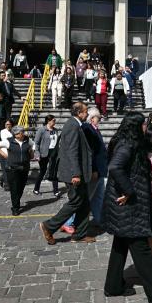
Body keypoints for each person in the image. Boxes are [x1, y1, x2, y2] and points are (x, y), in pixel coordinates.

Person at [101, 111, 152, 303]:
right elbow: (116, 167)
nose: (145, 127)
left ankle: (113, 286)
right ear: (135, 126)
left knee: (121, 244)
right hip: (129, 205)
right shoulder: (127, 144)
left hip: (125, 204)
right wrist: (130, 191)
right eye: (143, 124)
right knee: (142, 250)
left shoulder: (128, 141)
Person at [39, 102, 95, 244]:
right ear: (78, 113)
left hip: (78, 172)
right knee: (76, 201)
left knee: (84, 204)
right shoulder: (72, 125)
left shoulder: (76, 125)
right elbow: (71, 151)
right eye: (85, 111)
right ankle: (49, 226)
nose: (87, 113)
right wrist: (75, 173)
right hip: (72, 173)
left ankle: (79, 234)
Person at [0, 125, 33, 215]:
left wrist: (31, 152)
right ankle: (15, 208)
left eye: (23, 132)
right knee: (14, 188)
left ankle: (16, 202)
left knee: (21, 187)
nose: (23, 134)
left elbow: (33, 145)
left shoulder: (27, 140)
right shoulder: (9, 141)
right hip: (12, 169)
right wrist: (4, 155)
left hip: (25, 168)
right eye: (21, 132)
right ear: (16, 134)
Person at [82, 108, 108, 226]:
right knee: (86, 198)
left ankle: (99, 220)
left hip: (100, 170)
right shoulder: (88, 130)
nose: (100, 119)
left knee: (99, 197)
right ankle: (70, 222)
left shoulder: (95, 130)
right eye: (98, 117)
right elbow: (90, 152)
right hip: (95, 171)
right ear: (92, 119)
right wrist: (93, 169)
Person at [33, 115, 60, 197]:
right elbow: (36, 143)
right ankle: (36, 189)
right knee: (43, 171)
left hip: (54, 152)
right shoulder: (42, 130)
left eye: (55, 120)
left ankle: (56, 190)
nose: (54, 122)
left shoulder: (55, 130)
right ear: (48, 121)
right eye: (53, 120)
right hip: (44, 153)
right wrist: (37, 154)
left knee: (54, 171)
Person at [0, 118, 14, 191]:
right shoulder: (3, 131)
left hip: (12, 153)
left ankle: (2, 178)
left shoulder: (14, 131)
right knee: (5, 168)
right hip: (4, 152)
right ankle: (6, 184)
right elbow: (5, 140)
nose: (7, 125)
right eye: (6, 124)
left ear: (11, 125)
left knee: (11, 169)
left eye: (9, 124)